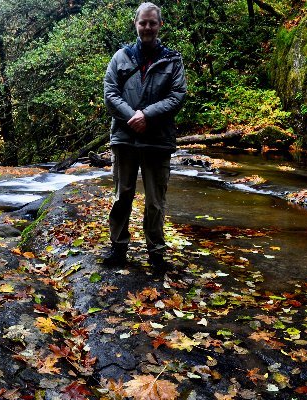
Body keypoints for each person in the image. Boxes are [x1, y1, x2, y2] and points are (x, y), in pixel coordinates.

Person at [103, 2, 187, 271]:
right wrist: (133, 116)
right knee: (121, 196)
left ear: (160, 25)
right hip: (124, 139)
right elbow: (110, 93)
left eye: (152, 23)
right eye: (143, 23)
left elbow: (177, 96)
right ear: (136, 24)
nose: (148, 27)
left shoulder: (173, 60)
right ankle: (118, 249)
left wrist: (147, 116)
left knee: (155, 201)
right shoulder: (120, 57)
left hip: (158, 140)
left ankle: (156, 253)